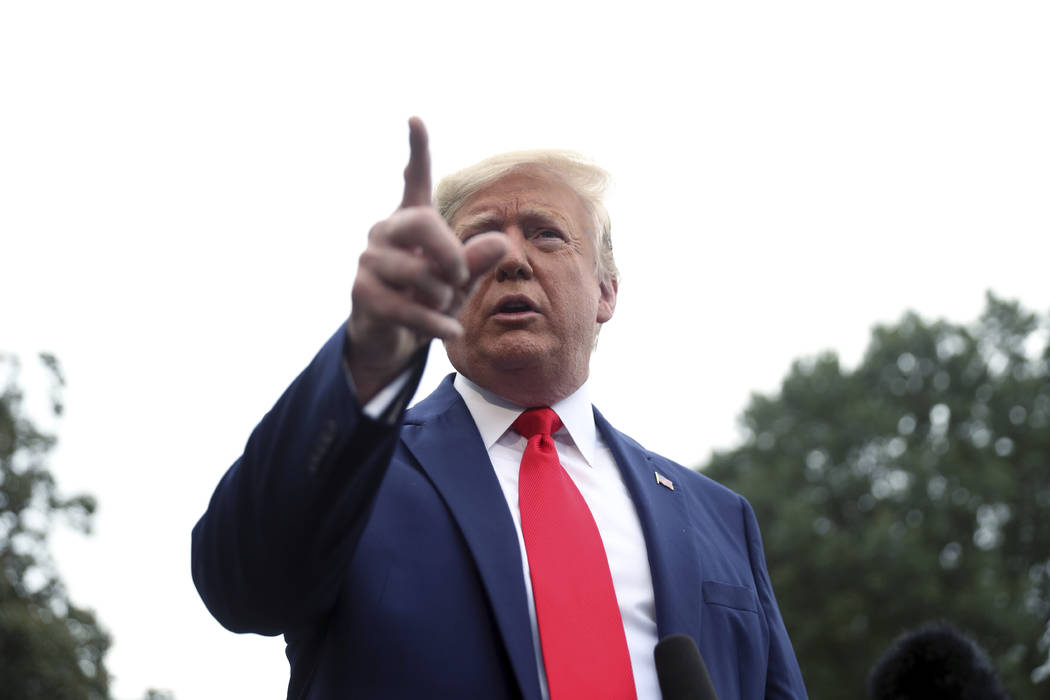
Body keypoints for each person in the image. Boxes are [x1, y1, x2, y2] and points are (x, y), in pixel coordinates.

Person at [191, 118, 808, 700]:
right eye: (481, 241)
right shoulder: (356, 470)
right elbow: (243, 590)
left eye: (546, 233)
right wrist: (366, 355)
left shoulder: (721, 518)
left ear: (606, 291)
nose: (512, 259)